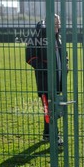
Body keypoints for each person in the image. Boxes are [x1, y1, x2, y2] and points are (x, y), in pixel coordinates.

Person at [25, 14, 66, 143]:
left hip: (58, 80)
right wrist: (45, 68)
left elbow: (63, 55)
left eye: (58, 22)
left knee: (53, 108)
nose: (58, 25)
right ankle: (54, 136)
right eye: (55, 23)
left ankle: (47, 135)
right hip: (45, 81)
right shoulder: (39, 36)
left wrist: (65, 64)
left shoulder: (57, 37)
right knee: (49, 109)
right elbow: (29, 56)